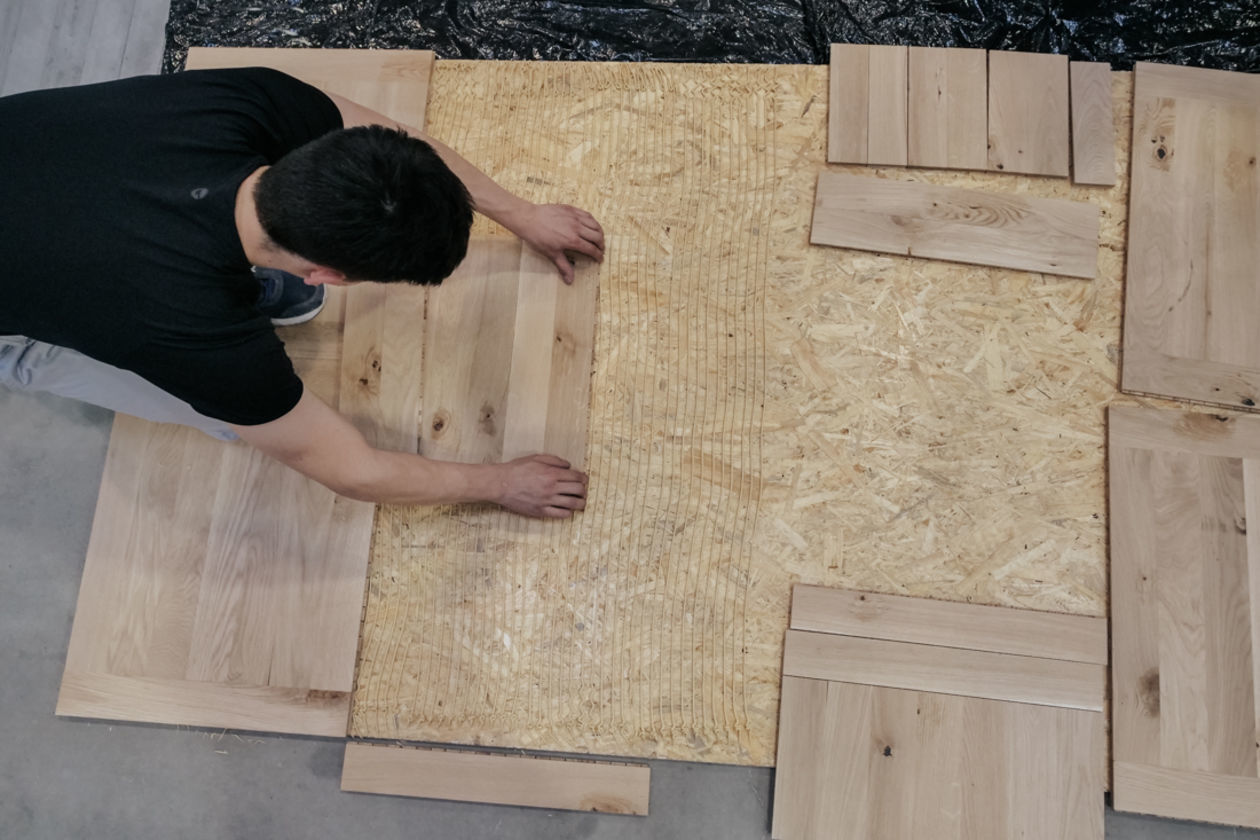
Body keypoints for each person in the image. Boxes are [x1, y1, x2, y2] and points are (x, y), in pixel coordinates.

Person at [0, 67, 604, 519]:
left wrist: (522, 213)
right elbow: (353, 470)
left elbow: (398, 151)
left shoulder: (242, 102)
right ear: (326, 275)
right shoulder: (192, 331)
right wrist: (501, 484)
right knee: (225, 415)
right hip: (37, 300)